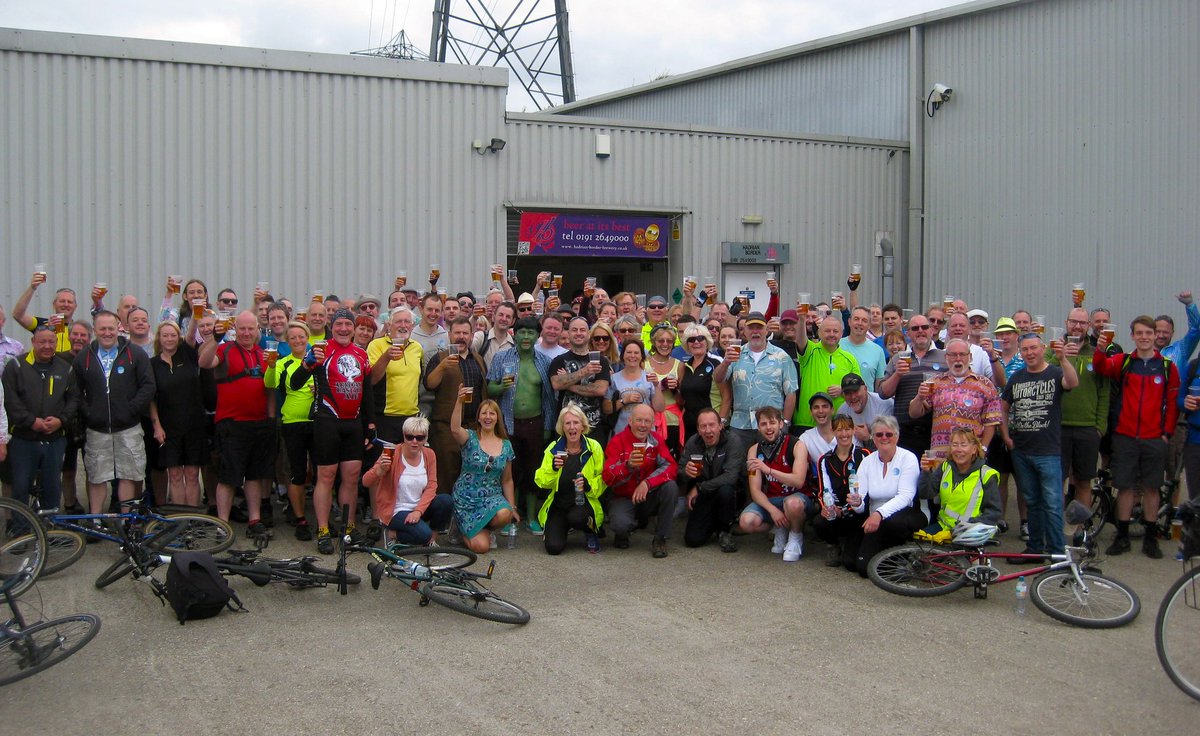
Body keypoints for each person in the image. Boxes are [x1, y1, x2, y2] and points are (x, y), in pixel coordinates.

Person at [290, 308, 376, 553]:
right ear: (332, 325)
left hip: (353, 424)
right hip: (326, 421)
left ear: (353, 328)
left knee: (351, 477)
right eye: (339, 324)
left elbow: (366, 392)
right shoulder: (320, 349)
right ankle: (324, 530)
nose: (343, 329)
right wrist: (308, 363)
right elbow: (296, 383)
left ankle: (348, 529)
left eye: (348, 325)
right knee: (326, 477)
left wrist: (370, 425)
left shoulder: (361, 353)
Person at [1094, 316, 1179, 558]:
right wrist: (1100, 349)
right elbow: (1100, 367)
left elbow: (1172, 404)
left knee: (1152, 488)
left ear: (1154, 336)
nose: (1144, 337)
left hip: (1154, 438)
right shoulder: (1124, 362)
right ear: (1132, 336)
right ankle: (1122, 536)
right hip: (1125, 436)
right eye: (1139, 333)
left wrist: (1166, 433)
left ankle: (1150, 538)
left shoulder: (1166, 367)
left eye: (1148, 333)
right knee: (1125, 487)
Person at [1001, 332, 1079, 558]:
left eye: (1033, 348)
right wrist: (1006, 436)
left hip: (1048, 451)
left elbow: (1073, 382)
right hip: (1021, 449)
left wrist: (1063, 358)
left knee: (1053, 504)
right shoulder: (1017, 377)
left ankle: (1056, 553)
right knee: (1033, 501)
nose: (1029, 353)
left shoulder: (1055, 373)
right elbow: (1003, 407)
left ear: (1042, 348)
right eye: (1025, 349)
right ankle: (1035, 548)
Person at [198, 310, 276, 532]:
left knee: (253, 476)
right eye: (242, 328)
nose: (246, 333)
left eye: (251, 329)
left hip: (259, 423)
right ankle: (223, 524)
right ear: (235, 329)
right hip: (231, 423)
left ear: (257, 331)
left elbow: (269, 389)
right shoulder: (225, 349)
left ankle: (254, 520)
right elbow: (204, 362)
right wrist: (215, 337)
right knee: (229, 477)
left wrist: (270, 419)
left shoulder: (264, 353)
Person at [73, 311, 156, 513]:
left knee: (129, 474)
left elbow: (148, 386)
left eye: (111, 328)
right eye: (102, 329)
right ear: (95, 331)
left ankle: (126, 520)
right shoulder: (84, 357)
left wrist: (131, 409)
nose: (107, 333)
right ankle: (96, 519)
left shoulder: (134, 353)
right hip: (97, 428)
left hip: (128, 427)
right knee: (97, 476)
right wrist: (89, 412)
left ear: (118, 328)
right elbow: (75, 391)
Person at [487, 316, 557, 533]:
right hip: (508, 423)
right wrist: (501, 387)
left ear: (538, 336)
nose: (526, 337)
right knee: (510, 472)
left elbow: (548, 398)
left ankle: (532, 516)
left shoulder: (545, 361)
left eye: (531, 333)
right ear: (513, 334)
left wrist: (548, 426)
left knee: (533, 470)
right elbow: (490, 390)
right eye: (522, 332)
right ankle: (510, 515)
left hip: (535, 423)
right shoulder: (501, 357)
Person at [2, 325, 80, 509]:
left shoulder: (65, 368)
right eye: (42, 341)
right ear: (33, 342)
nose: (47, 346)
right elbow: (9, 400)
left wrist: (61, 420)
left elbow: (74, 399)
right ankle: (21, 528)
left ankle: (50, 528)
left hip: (55, 439)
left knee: (52, 485)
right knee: (21, 485)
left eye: (51, 342)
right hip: (23, 438)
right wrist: (31, 421)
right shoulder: (16, 366)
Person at [845, 416, 926, 577]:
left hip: (905, 514)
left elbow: (906, 497)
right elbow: (860, 501)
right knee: (850, 562)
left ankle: (903, 558)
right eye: (879, 434)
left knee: (864, 568)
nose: (884, 438)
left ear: (897, 436)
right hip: (875, 519)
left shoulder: (908, 458)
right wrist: (856, 502)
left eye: (889, 434)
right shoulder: (867, 462)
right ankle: (884, 557)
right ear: (873, 438)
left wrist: (879, 514)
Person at [1049, 307, 1110, 512]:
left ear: (1089, 326)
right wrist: (1062, 357)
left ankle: (1082, 531)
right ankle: (1055, 527)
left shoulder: (1096, 354)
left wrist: (1100, 426)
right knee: (1057, 480)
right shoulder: (1053, 350)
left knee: (1084, 481)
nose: (1077, 326)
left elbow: (1104, 393)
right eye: (1073, 321)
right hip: (1058, 426)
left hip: (1087, 428)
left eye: (1082, 323)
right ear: (1066, 322)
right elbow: (1043, 375)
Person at [602, 403, 679, 558]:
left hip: (647, 495)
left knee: (671, 487)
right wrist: (627, 466)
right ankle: (625, 530)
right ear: (630, 421)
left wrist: (647, 483)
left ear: (652, 423)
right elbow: (607, 476)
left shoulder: (656, 440)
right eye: (639, 420)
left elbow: (671, 466)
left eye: (647, 421)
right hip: (623, 496)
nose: (643, 425)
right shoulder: (617, 441)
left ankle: (660, 539)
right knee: (620, 525)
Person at [363, 416, 453, 546]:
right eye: (409, 437)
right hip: (395, 510)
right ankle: (393, 534)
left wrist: (418, 511)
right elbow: (366, 482)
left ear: (426, 438)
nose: (414, 441)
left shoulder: (429, 454)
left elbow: (432, 485)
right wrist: (380, 471)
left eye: (419, 438)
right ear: (403, 436)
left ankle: (431, 541)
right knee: (423, 534)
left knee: (445, 501)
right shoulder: (392, 452)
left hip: (418, 507)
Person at [715, 311, 799, 448]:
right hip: (741, 425)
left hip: (771, 425)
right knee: (741, 466)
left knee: (770, 466)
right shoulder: (735, 353)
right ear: (745, 332)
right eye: (751, 328)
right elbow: (718, 379)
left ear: (766, 330)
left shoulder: (781, 356)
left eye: (759, 327)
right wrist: (725, 362)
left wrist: (786, 422)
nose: (755, 332)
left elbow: (791, 393)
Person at [264, 321, 317, 539]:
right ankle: (301, 519)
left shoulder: (317, 360)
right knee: (296, 473)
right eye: (293, 337)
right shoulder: (283, 363)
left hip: (317, 422)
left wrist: (319, 388)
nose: (297, 340)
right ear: (287, 340)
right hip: (292, 423)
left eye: (301, 337)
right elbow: (269, 384)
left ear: (307, 338)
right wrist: (269, 365)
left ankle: (322, 520)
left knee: (320, 473)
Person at [449, 392, 517, 554]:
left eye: (492, 413)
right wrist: (459, 402)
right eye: (484, 413)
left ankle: (482, 530)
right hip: (466, 498)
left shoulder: (506, 445)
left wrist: (512, 507)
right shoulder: (470, 438)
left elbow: (507, 480)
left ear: (497, 418)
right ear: (478, 417)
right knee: (482, 548)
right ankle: (460, 528)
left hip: (491, 498)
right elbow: (454, 429)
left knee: (505, 513)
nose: (488, 417)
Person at [424, 316, 486, 495]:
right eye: (457, 332)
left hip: (473, 426)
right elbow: (430, 384)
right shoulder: (440, 357)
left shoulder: (478, 359)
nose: (461, 336)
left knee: (472, 472)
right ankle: (447, 517)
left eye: (465, 333)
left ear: (471, 335)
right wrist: (442, 367)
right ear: (450, 335)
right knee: (447, 472)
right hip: (446, 427)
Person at [739, 405, 810, 562]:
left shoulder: (796, 444)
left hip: (798, 498)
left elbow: (798, 481)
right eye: (763, 424)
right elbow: (755, 489)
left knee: (792, 504)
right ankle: (780, 525)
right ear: (758, 428)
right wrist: (773, 511)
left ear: (781, 424)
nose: (768, 428)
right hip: (774, 499)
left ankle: (795, 536)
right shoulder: (754, 450)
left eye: (772, 422)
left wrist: (769, 470)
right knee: (746, 522)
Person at [534, 404, 607, 554]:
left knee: (577, 517)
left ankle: (591, 531)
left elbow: (604, 480)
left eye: (576, 422)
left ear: (582, 426)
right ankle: (561, 528)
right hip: (559, 504)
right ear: (562, 427)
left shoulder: (594, 447)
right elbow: (540, 481)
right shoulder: (553, 449)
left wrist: (588, 485)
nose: (572, 427)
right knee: (553, 548)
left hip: (583, 503)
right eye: (567, 423)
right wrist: (553, 469)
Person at [908, 338, 1001, 455]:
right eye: (953, 355)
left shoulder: (985, 385)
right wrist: (919, 397)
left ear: (970, 357)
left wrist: (983, 448)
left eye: (962, 354)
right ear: (946, 358)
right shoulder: (935, 382)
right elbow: (914, 414)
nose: (958, 359)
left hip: (970, 455)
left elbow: (991, 422)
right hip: (940, 456)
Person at [148, 321, 207, 506]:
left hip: (194, 425)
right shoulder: (153, 364)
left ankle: (193, 518)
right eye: (165, 335)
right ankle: (180, 519)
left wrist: (196, 315)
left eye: (173, 335)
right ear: (159, 338)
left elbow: (190, 335)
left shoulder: (188, 355)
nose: (169, 339)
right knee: (174, 474)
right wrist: (156, 426)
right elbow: (151, 399)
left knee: (191, 474)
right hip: (168, 426)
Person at [878, 313, 946, 458]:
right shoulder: (898, 358)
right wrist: (897, 374)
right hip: (904, 430)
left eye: (924, 327)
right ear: (908, 334)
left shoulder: (944, 357)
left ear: (932, 331)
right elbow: (883, 393)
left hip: (935, 430)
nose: (920, 331)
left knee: (931, 476)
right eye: (915, 328)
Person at [916, 427, 1003, 535]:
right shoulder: (945, 467)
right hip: (944, 526)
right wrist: (925, 472)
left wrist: (967, 527)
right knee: (918, 542)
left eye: (963, 445)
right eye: (955, 445)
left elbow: (993, 513)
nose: (959, 449)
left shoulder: (986, 474)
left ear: (974, 449)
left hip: (971, 530)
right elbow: (925, 493)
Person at [679, 407, 743, 551]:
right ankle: (715, 522)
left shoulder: (732, 441)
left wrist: (700, 487)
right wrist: (686, 472)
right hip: (706, 495)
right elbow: (678, 475)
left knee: (725, 490)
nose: (708, 430)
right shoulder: (693, 443)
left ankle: (725, 530)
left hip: (729, 492)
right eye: (703, 426)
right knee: (692, 540)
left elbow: (731, 477)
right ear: (698, 429)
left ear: (720, 425)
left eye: (712, 425)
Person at [813, 414, 870, 569]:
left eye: (847, 429)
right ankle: (833, 545)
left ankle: (852, 545)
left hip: (859, 514)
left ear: (853, 431)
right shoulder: (825, 460)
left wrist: (846, 510)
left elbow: (867, 491)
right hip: (836, 512)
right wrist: (828, 508)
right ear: (833, 432)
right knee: (819, 521)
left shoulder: (864, 455)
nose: (844, 434)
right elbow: (823, 490)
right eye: (839, 430)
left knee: (850, 564)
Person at [550, 317, 612, 443]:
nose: (578, 333)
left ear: (588, 334)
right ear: (568, 334)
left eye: (582, 330)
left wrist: (568, 384)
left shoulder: (601, 360)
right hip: (567, 428)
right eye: (574, 330)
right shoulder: (559, 360)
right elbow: (556, 383)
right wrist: (584, 372)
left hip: (593, 426)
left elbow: (600, 390)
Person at [367, 306, 422, 443]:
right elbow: (371, 380)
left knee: (408, 462)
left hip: (412, 416)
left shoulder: (417, 348)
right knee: (387, 462)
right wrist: (386, 357)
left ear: (412, 326)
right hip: (386, 417)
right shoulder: (376, 345)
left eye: (407, 322)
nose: (403, 326)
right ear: (389, 325)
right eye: (398, 322)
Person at [677, 324, 730, 436]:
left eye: (700, 338)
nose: (696, 342)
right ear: (687, 344)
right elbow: (682, 398)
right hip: (690, 426)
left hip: (711, 427)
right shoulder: (683, 365)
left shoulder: (716, 363)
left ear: (707, 341)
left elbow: (727, 396)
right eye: (691, 340)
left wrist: (722, 421)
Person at [606, 339, 663, 436]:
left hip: (646, 434)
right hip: (621, 433)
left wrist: (657, 386)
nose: (632, 356)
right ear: (623, 355)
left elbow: (660, 408)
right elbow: (606, 409)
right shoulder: (614, 379)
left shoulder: (649, 378)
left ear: (641, 356)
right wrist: (624, 400)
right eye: (629, 352)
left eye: (636, 353)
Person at [644, 323, 683, 453]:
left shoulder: (679, 365)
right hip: (650, 419)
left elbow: (683, 401)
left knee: (671, 459)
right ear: (654, 342)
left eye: (669, 341)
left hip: (673, 420)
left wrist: (675, 389)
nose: (665, 344)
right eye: (661, 340)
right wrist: (660, 386)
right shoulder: (644, 364)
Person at [836, 372, 894, 449]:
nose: (853, 397)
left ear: (865, 389)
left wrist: (868, 438)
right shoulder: (842, 412)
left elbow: (890, 442)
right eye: (848, 393)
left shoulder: (884, 404)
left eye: (856, 391)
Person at [840, 306, 888, 391]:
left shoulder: (877, 351)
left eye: (864, 320)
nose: (860, 323)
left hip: (866, 403)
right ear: (849, 322)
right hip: (838, 403)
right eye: (856, 319)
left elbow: (879, 385)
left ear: (869, 325)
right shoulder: (837, 345)